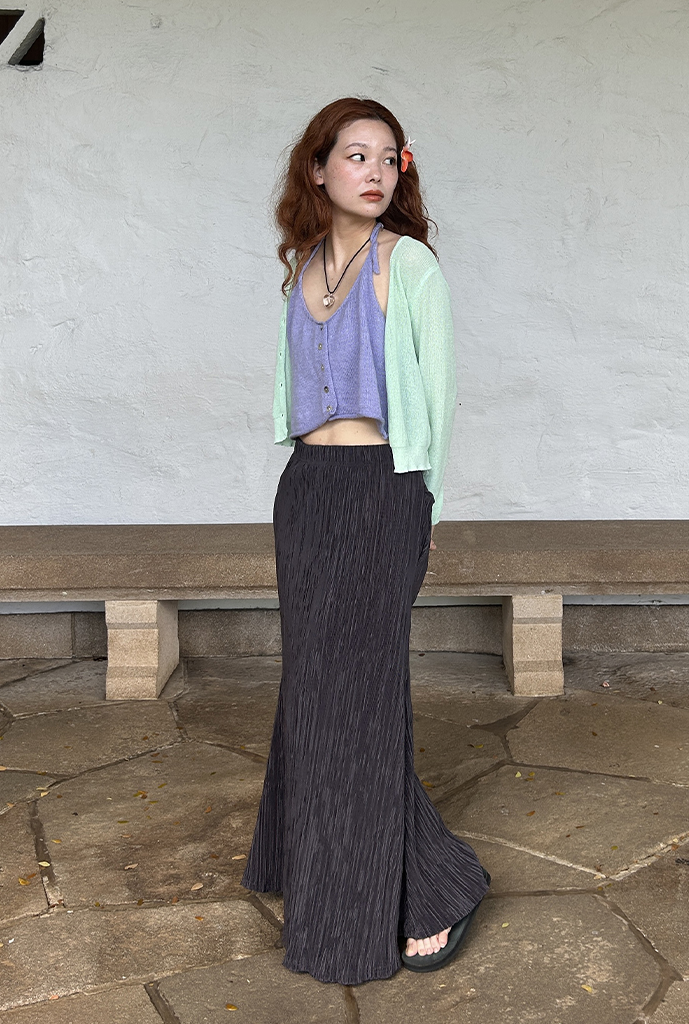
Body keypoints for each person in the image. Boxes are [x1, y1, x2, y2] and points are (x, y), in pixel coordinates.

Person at [241, 97, 490, 985]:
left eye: (389, 157)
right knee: (315, 692)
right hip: (308, 491)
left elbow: (440, 394)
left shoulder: (408, 264)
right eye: (356, 156)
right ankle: (313, 860)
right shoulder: (305, 264)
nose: (376, 172)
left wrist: (422, 507)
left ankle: (435, 890)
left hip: (382, 490)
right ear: (317, 169)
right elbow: (295, 389)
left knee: (359, 703)